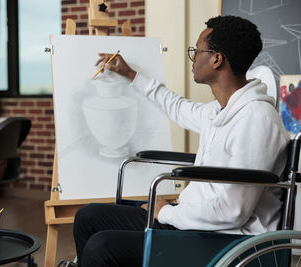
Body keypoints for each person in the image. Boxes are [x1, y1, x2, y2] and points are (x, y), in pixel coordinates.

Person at [73, 15, 289, 267]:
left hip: (226, 240)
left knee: (103, 247)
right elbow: (176, 107)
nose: (193, 58)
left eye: (197, 51)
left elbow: (233, 212)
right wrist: (131, 74)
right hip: (195, 223)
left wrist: (166, 212)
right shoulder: (219, 111)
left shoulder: (256, 120)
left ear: (217, 59)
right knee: (88, 217)